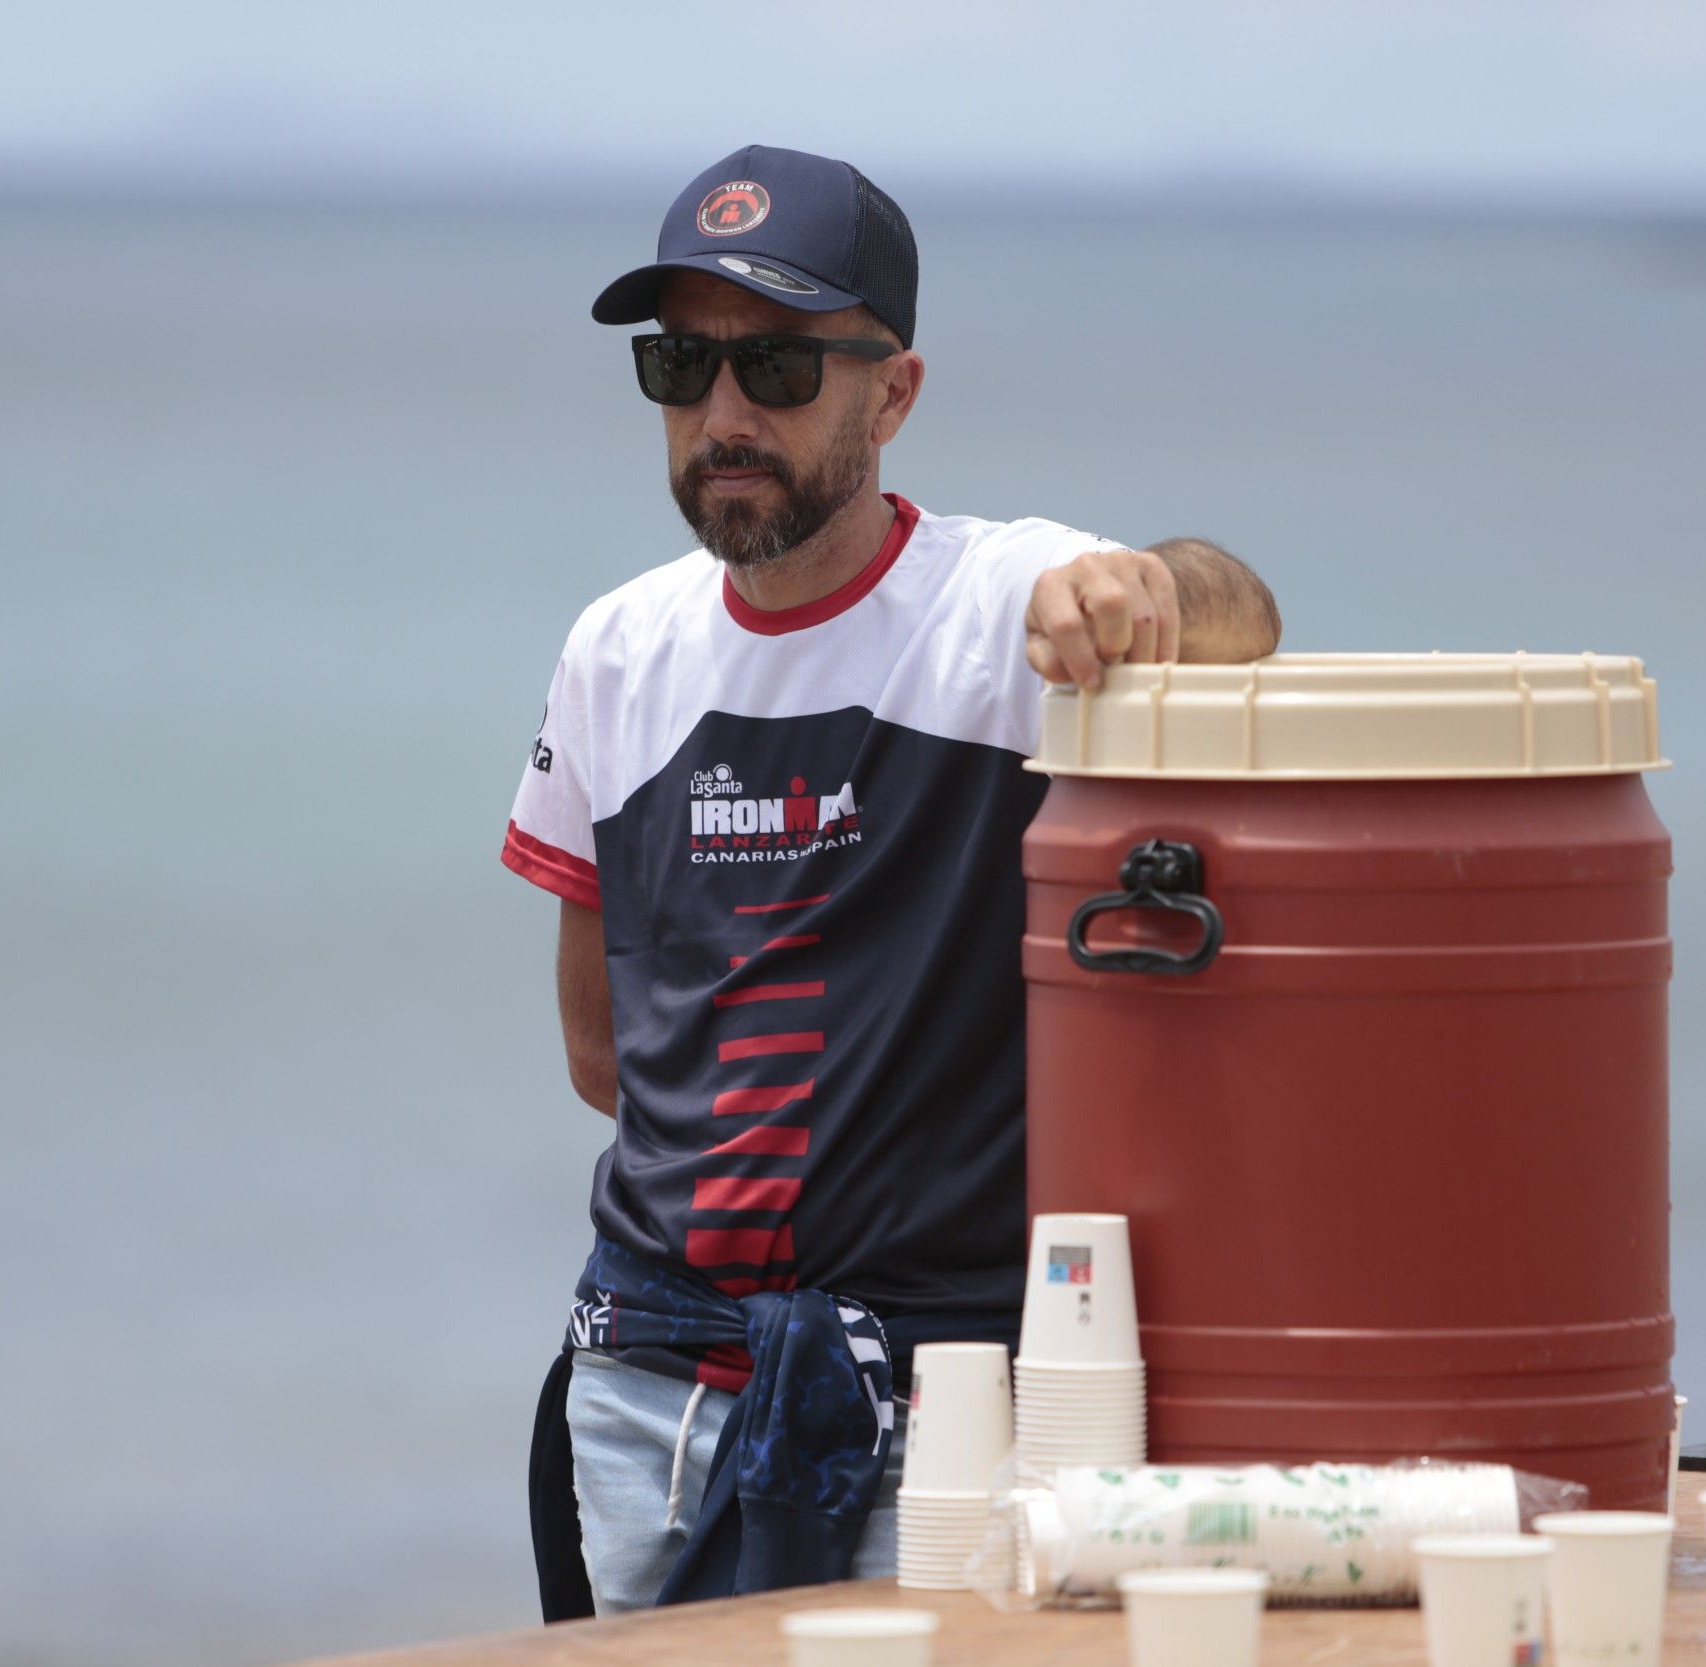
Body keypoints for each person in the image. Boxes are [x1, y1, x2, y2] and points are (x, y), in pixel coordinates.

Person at [502, 144, 1280, 1616]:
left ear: (895, 392)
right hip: (648, 1386)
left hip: (944, 1406)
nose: (723, 416)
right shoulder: (617, 647)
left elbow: (1242, 610)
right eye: (681, 366)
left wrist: (1148, 589)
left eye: (780, 368)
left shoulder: (1003, 606)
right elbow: (602, 1055)